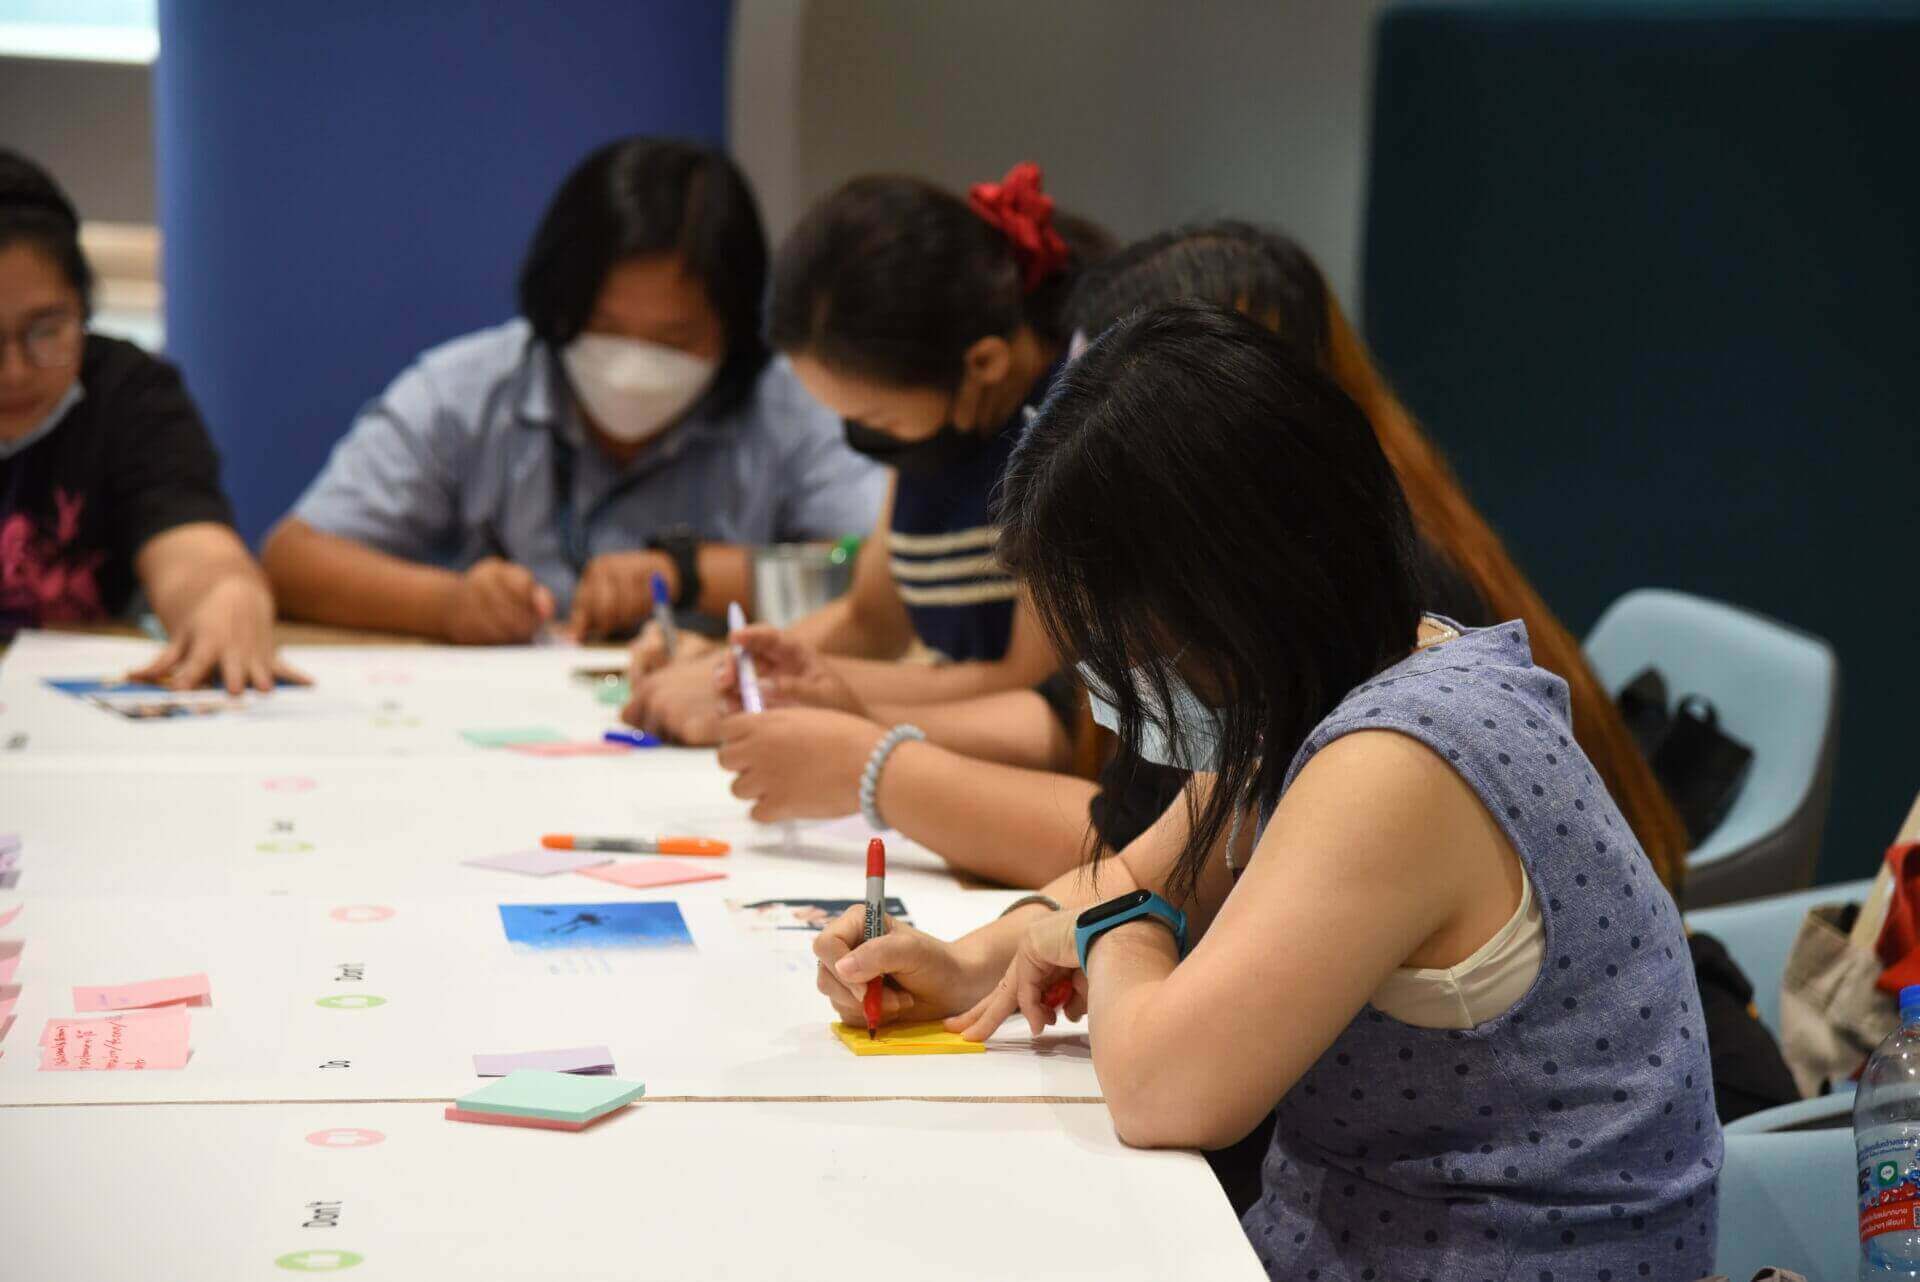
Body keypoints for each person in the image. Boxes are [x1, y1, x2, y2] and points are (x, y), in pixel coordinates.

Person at [810, 303, 1720, 1281]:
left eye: (1129, 649)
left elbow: (1165, 1088)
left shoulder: (1395, 764)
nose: (1112, 686)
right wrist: (964, 965)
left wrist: (1111, 926)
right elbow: (1139, 876)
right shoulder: (1336, 682)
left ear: (1230, 600)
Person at [710, 222, 1690, 897]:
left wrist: (878, 767)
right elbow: (1077, 734)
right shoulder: (1304, 559)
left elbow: (1160, 857)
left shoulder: (1377, 604)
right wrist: (851, 704)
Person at [261, 137, 882, 643]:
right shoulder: (468, 391)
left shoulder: (794, 407)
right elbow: (294, 558)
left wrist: (689, 576)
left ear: (736, 328)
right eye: (605, 328)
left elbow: (879, 569)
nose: (632, 368)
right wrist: (447, 604)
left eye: (675, 339)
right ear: (559, 307)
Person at [622, 165, 1111, 753]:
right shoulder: (938, 422)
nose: (863, 439)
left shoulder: (1068, 430)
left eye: (876, 420)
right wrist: (734, 664)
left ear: (983, 364)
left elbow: (1025, 683)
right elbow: (869, 620)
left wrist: (772, 688)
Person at [0, 149, 298, 693]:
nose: (16, 371)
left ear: (83, 307)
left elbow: (190, 546)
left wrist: (225, 593)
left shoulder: (127, 392)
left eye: (47, 330)